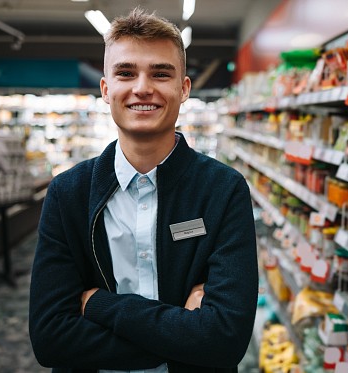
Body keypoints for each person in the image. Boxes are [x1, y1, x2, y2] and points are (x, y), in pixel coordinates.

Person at [29, 7, 258, 373]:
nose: (141, 88)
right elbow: (50, 338)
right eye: (125, 73)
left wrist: (97, 305)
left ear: (184, 89)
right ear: (106, 90)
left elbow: (225, 340)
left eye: (160, 73)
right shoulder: (68, 193)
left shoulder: (223, 190)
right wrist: (188, 337)